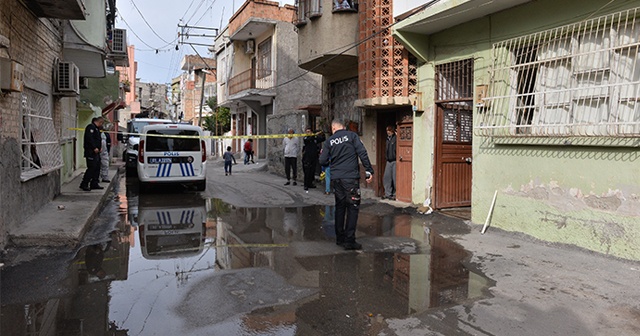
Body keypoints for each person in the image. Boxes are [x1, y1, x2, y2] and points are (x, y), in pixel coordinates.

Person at [319, 119, 374, 250]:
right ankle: (349, 241)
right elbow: (362, 152)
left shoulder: (329, 141)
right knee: (353, 207)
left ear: (333, 128)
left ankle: (340, 238)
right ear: (343, 127)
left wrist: (331, 163)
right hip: (350, 178)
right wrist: (368, 170)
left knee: (340, 207)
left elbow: (322, 160)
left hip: (337, 179)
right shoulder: (352, 136)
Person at [80, 117, 105, 191]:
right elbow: (89, 139)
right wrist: (94, 147)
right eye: (101, 123)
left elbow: (97, 139)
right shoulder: (90, 127)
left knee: (97, 168)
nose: (101, 125)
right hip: (91, 152)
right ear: (99, 122)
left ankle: (94, 183)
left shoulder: (96, 129)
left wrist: (99, 147)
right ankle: (84, 184)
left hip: (96, 153)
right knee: (91, 168)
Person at [302, 127, 325, 191]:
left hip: (314, 157)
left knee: (312, 171)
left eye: (309, 131)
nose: (308, 133)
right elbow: (307, 140)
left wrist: (322, 133)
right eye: (307, 132)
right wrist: (314, 135)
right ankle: (306, 185)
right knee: (307, 171)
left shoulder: (315, 138)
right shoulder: (306, 138)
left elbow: (322, 139)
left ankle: (310, 183)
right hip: (307, 157)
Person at [383, 125, 397, 200]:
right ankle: (388, 193)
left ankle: (395, 194)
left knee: (395, 178)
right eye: (387, 131)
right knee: (387, 177)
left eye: (389, 130)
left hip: (395, 160)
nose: (388, 132)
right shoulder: (387, 139)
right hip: (388, 160)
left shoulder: (395, 138)